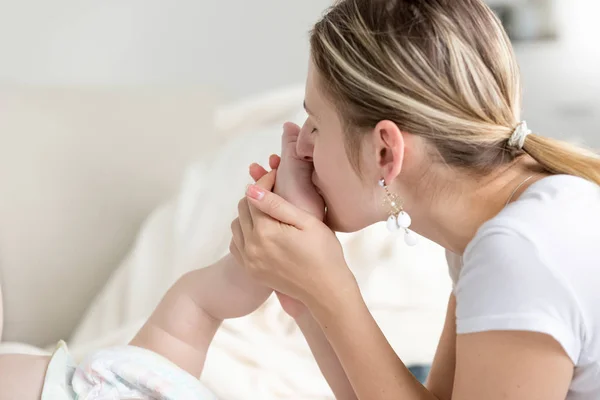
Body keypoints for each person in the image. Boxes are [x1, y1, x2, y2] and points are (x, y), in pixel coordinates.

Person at [230, 0, 600, 399]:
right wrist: (304, 289)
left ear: (385, 152)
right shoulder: (497, 225)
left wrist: (330, 289)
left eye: (316, 125)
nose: (300, 146)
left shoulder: (519, 252)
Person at [0, 127, 324, 399]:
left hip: (118, 383)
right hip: (126, 383)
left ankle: (287, 227)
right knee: (203, 301)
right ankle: (287, 228)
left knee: (202, 300)